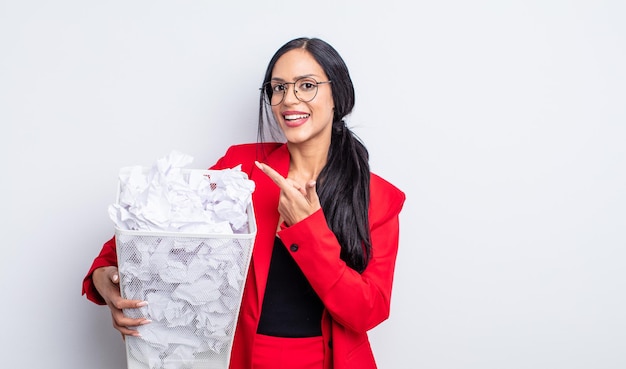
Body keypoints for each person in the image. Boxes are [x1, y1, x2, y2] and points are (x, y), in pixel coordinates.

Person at [82, 37, 405, 369]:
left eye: (306, 85)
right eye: (277, 88)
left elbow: (367, 312)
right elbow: (152, 229)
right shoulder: (240, 169)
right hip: (242, 359)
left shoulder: (377, 198)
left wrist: (308, 231)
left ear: (337, 94)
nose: (288, 99)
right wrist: (104, 273)